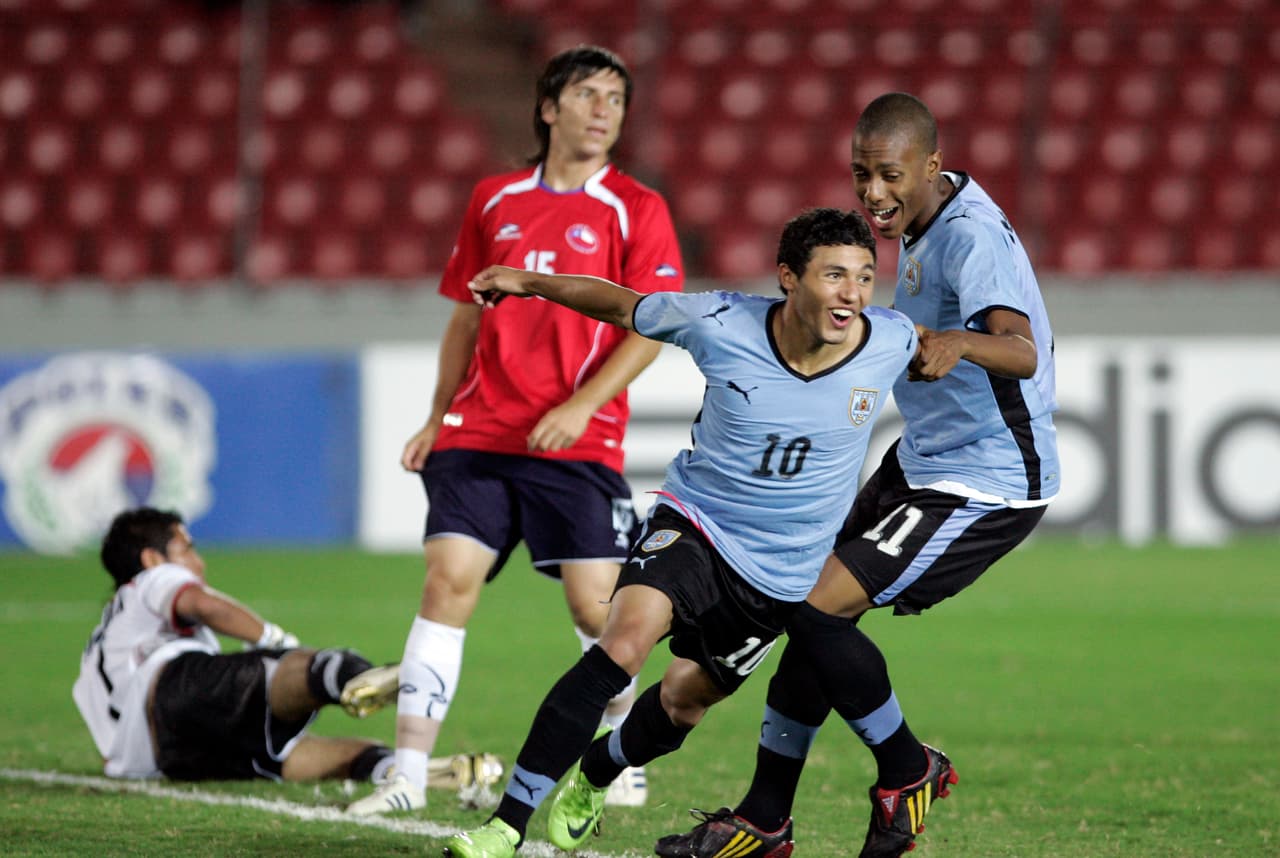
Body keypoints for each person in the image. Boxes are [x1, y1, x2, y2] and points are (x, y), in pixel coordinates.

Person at [441, 206, 920, 858]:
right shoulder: (720, 323)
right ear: (788, 277)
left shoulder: (889, 340)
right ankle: (507, 823)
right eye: (834, 275)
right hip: (696, 526)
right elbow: (621, 305)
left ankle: (596, 774)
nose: (852, 294)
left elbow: (964, 351)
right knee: (624, 643)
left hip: (783, 577)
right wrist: (529, 281)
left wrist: (1004, 351)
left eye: (865, 277)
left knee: (681, 703)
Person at [655, 92, 1060, 858]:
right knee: (805, 602)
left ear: (931, 168)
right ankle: (767, 819)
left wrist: (960, 345)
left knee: (813, 608)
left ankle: (907, 769)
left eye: (889, 176)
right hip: (923, 460)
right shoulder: (925, 218)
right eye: (861, 175)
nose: (873, 195)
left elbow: (1021, 347)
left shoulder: (970, 238)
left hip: (989, 480)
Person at [344, 44, 684, 816]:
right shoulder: (495, 199)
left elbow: (652, 327)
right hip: (478, 433)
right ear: (548, 107)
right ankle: (404, 774)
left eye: (616, 100)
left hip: (575, 440)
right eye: (589, 94)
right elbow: (465, 316)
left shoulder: (638, 207)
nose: (604, 111)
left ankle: (617, 755)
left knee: (596, 608)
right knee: (447, 584)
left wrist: (582, 406)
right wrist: (436, 417)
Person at [73, 507, 401, 784]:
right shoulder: (152, 578)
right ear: (152, 558)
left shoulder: (97, 649)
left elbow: (108, 750)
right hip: (172, 691)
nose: (198, 563)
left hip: (164, 761)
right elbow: (205, 606)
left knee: (281, 755)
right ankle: (363, 677)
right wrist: (274, 640)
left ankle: (391, 769)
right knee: (312, 667)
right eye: (187, 549)